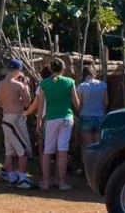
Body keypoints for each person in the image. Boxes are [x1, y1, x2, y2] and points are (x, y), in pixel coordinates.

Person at [37, 58, 80, 191]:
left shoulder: (44, 84)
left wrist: (39, 121)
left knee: (47, 151)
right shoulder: (70, 82)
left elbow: (41, 105)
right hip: (66, 118)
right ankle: (61, 183)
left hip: (51, 119)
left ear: (50, 69)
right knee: (63, 150)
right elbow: (77, 104)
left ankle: (45, 182)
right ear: (63, 68)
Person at [0, 59, 37, 189]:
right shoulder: (17, 85)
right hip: (16, 120)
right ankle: (23, 179)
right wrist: (25, 86)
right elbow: (27, 103)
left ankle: (12, 176)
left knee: (10, 150)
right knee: (23, 149)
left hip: (6, 118)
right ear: (18, 70)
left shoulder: (1, 84)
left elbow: (0, 101)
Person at [77, 66, 108, 161]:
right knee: (98, 144)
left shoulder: (81, 86)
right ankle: (98, 166)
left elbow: (79, 104)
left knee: (88, 144)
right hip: (99, 116)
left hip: (86, 116)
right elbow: (106, 102)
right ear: (93, 73)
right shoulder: (103, 85)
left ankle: (87, 167)